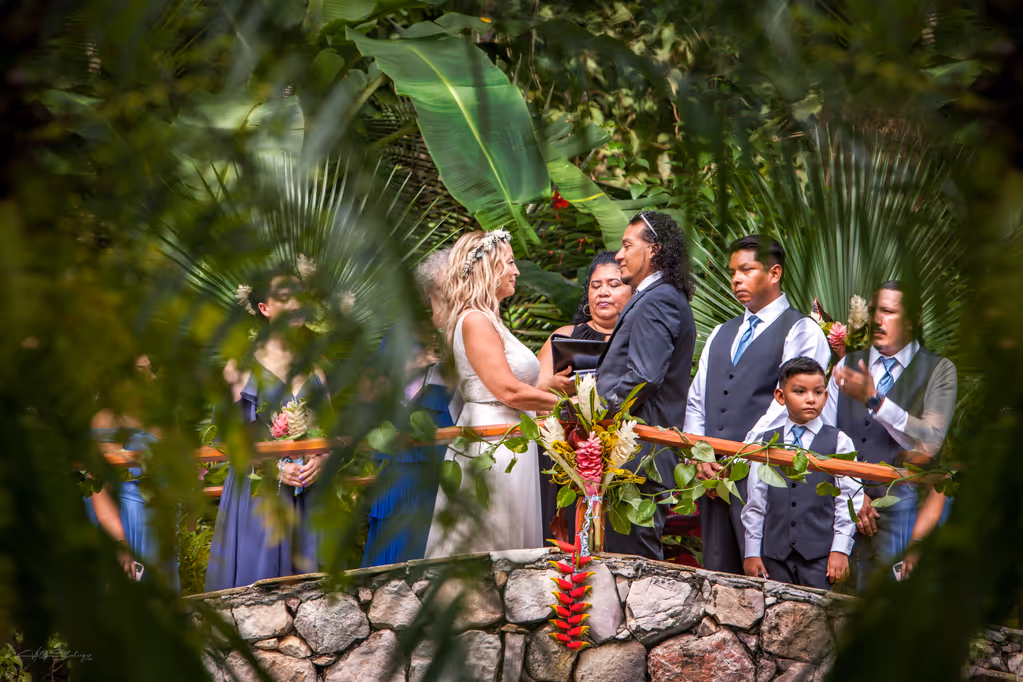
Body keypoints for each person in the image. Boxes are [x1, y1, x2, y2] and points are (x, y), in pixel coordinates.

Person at [424, 230, 574, 557]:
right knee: (491, 536)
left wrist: (549, 391)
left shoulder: (490, 320)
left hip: (511, 434)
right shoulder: (475, 320)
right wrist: (570, 407)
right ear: (488, 269)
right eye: (509, 262)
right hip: (491, 441)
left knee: (511, 536)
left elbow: (509, 386)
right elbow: (506, 390)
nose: (516, 271)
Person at [687, 235, 830, 575]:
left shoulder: (802, 330)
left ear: (774, 273)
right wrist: (699, 455)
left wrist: (737, 458)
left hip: (767, 478)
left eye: (747, 270)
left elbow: (789, 406)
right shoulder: (720, 333)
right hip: (712, 479)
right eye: (733, 272)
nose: (736, 279)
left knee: (767, 583)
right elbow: (697, 400)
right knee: (717, 575)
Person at [823, 279, 957, 587]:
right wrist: (854, 495)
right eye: (873, 311)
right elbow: (824, 435)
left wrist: (876, 401)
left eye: (888, 311)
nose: (877, 320)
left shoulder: (939, 370)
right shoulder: (847, 365)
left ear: (913, 320)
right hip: (840, 511)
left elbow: (931, 441)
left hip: (901, 517)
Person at [205, 271, 331, 591]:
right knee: (258, 595)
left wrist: (322, 459)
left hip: (307, 492)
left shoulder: (316, 369)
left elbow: (329, 434)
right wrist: (275, 468)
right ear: (265, 308)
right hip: (257, 495)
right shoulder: (239, 368)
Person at [595, 211, 697, 560]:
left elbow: (645, 376)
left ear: (654, 249)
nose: (619, 255)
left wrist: (596, 413)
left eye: (627, 246)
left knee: (634, 565)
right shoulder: (657, 296)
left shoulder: (659, 298)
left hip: (640, 455)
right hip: (635, 452)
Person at [362, 250, 460, 566]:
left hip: (455, 447)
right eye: (446, 283)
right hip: (408, 449)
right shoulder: (402, 334)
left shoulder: (472, 331)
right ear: (429, 290)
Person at [742, 357, 864, 590]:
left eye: (818, 392)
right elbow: (756, 500)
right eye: (799, 391)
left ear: (825, 396)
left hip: (820, 558)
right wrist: (752, 551)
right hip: (774, 556)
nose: (810, 399)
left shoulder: (839, 442)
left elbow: (848, 499)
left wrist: (840, 549)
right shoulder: (766, 442)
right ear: (780, 396)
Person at [536, 251, 632, 541]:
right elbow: (534, 393)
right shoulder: (564, 336)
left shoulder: (641, 340)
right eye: (595, 285)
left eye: (614, 284)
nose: (603, 292)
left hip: (622, 455)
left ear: (633, 291)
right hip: (565, 454)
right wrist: (557, 387)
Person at [87, 355, 180, 590]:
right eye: (141, 371)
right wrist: (119, 542)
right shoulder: (107, 420)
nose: (152, 378)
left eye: (151, 369)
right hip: (128, 521)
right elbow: (97, 487)